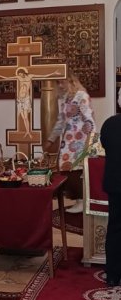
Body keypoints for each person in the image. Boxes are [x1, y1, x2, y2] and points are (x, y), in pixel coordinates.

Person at [42, 70, 95, 214]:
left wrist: (90, 142)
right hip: (68, 142)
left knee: (76, 171)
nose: (60, 85)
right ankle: (78, 200)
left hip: (80, 141)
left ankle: (81, 201)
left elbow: (89, 119)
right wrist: (51, 139)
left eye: (62, 82)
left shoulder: (82, 96)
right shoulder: (67, 99)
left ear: (71, 81)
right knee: (67, 170)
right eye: (58, 83)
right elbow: (60, 122)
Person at [100, 114, 121, 286]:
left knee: (115, 227)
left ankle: (113, 275)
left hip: (115, 183)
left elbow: (105, 145)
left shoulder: (109, 123)